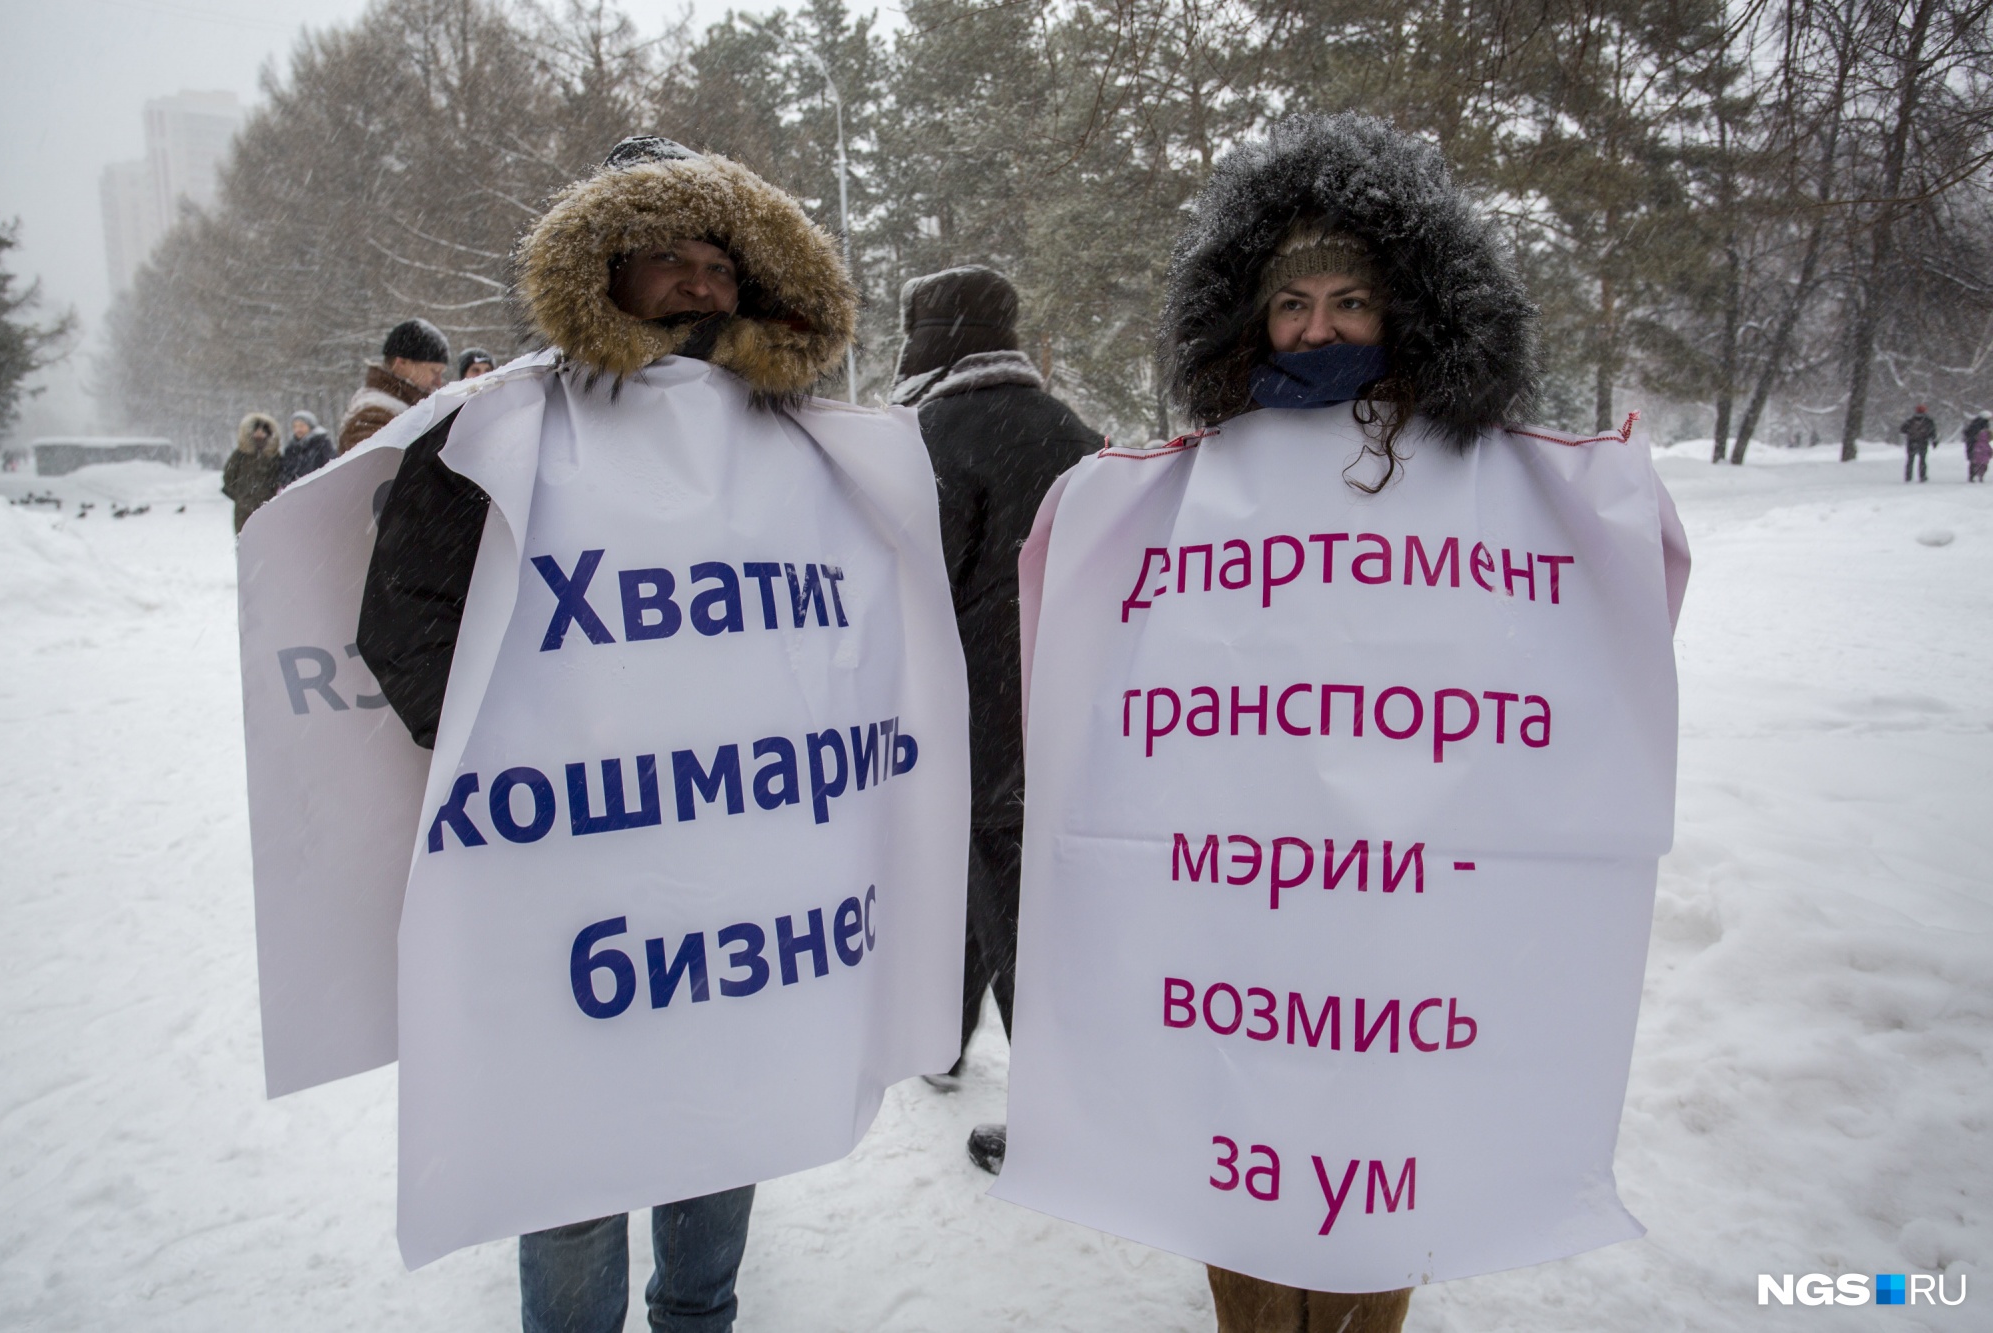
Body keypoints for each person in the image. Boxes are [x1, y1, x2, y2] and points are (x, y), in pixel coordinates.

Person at [1009, 114, 1691, 1333]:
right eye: (1290, 305)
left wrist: (1611, 502)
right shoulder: (1193, 479)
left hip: (1399, 924)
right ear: (1246, 318)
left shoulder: (1492, 479)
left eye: (1348, 301)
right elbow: (1088, 611)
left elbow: (1603, 618)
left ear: (1412, 307)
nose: (1315, 328)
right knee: (1242, 1143)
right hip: (1240, 912)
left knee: (1377, 1150)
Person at [357, 136, 883, 1333]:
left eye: (718, 260)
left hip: (740, 876)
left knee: (715, 1117)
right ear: (604, 267)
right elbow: (404, 623)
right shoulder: (499, 429)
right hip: (570, 870)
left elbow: (856, 628)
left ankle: (700, 1315)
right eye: (667, 257)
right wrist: (544, 761)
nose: (699, 282)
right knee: (578, 1141)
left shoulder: (803, 442)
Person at [889, 266, 1103, 1174]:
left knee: (1011, 910)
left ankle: (1054, 1121)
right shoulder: (1076, 431)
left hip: (980, 720)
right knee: (1000, 888)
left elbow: (916, 588)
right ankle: (941, 1039)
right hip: (1075, 709)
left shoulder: (935, 437)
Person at [338, 318, 449, 453]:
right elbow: (375, 470)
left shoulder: (400, 405)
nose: (438, 382)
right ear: (401, 363)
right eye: (434, 371)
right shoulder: (373, 412)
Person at [221, 412, 282, 532]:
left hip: (267, 506)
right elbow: (229, 476)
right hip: (243, 508)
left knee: (266, 539)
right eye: (256, 430)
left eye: (263, 430)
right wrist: (239, 496)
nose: (259, 433)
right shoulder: (240, 455)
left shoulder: (274, 456)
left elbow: (279, 477)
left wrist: (272, 495)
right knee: (244, 539)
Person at [279, 410, 334, 488]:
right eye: (295, 426)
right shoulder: (291, 448)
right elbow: (286, 472)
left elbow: (330, 464)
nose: (298, 429)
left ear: (310, 426)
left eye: (301, 426)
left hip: (321, 487)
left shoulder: (322, 443)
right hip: (298, 491)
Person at [1901, 404, 1937, 482]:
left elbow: (1902, 430)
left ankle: (1908, 476)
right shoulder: (1928, 421)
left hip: (1911, 442)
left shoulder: (1911, 420)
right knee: (1922, 460)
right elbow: (1932, 432)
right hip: (1923, 442)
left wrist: (1909, 433)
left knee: (1910, 460)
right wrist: (1934, 441)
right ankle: (1922, 476)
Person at [1963, 411, 1989, 482]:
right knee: (1981, 462)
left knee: (1974, 461)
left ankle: (1973, 475)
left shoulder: (1974, 424)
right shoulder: (1982, 425)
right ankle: (1979, 474)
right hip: (1979, 446)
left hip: (1973, 445)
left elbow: (1968, 433)